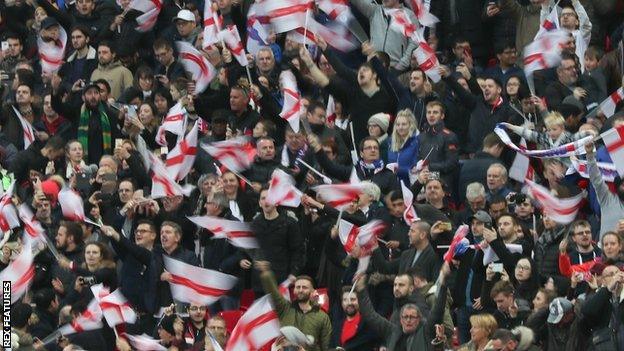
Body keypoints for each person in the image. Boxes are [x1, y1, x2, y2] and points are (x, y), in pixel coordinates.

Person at [354, 262, 451, 350]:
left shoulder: (424, 326)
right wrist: (361, 290)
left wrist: (443, 284)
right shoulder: (392, 327)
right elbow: (370, 316)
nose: (408, 320)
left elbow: (438, 310)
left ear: (419, 318)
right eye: (395, 285)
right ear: (400, 319)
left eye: (412, 317)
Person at [256, 260, 332, 351]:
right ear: (294, 290)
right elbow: (273, 292)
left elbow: (326, 347)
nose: (300, 290)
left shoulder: (322, 317)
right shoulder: (285, 309)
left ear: (312, 291)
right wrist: (266, 273)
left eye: (304, 287)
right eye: (298, 287)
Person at [331, 286, 379, 350]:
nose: (349, 303)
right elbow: (331, 346)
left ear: (359, 301)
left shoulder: (368, 323)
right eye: (345, 300)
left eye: (353, 299)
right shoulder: (337, 326)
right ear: (342, 303)